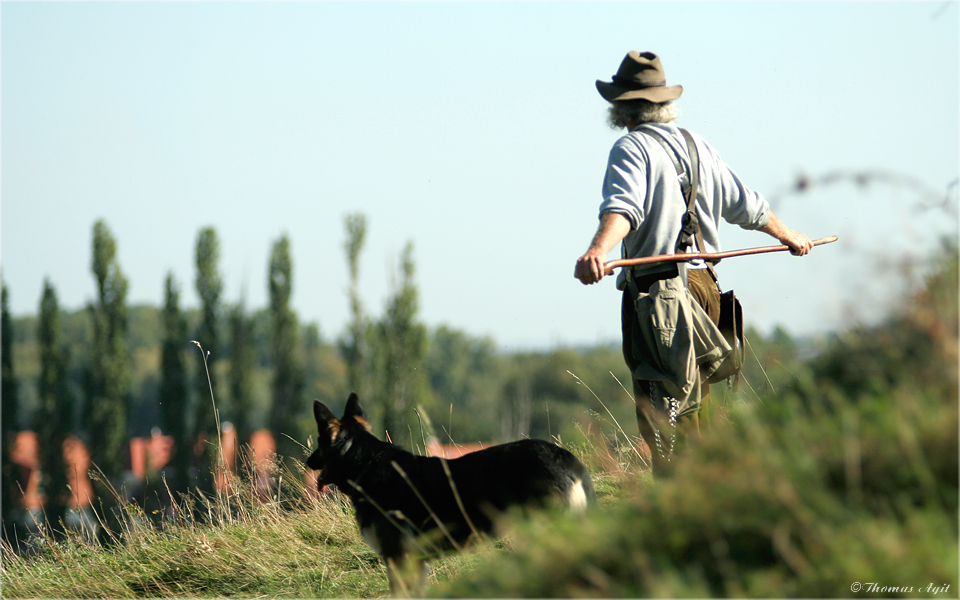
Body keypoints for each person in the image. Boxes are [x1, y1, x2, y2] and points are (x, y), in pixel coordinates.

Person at [574, 51, 813, 473]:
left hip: (661, 296)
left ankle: (682, 496)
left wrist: (599, 251)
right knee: (694, 402)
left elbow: (623, 209)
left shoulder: (630, 147)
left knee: (666, 410)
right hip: (707, 290)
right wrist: (787, 233)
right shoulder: (696, 144)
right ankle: (706, 489)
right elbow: (749, 206)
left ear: (622, 106)